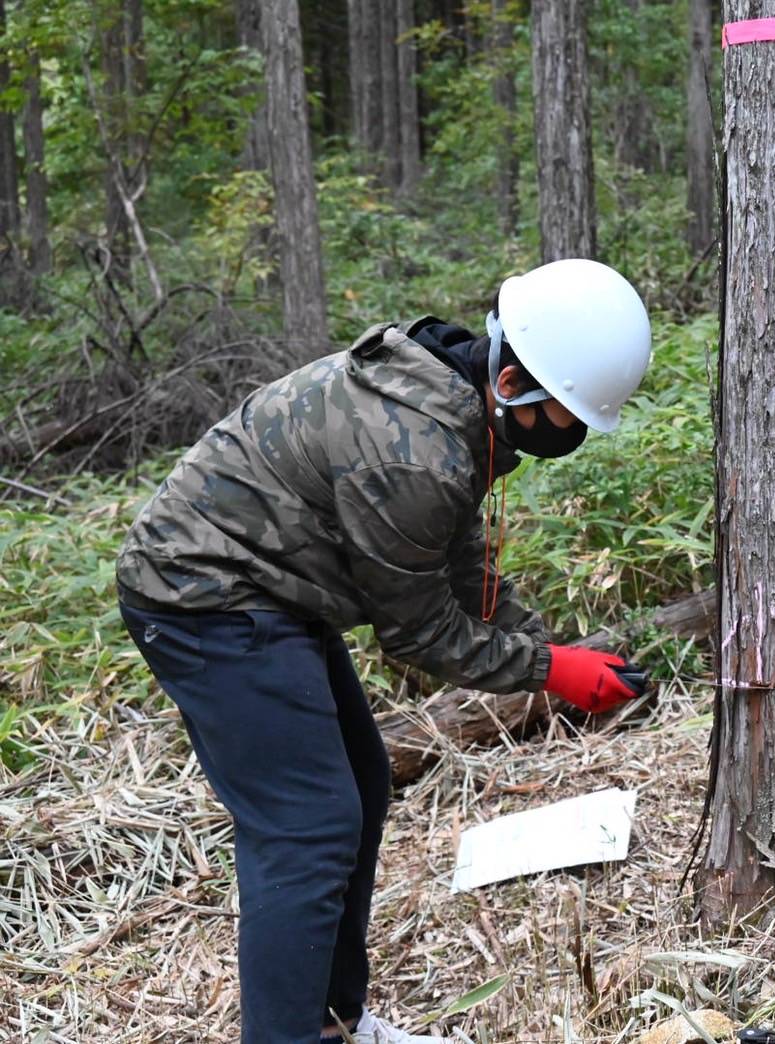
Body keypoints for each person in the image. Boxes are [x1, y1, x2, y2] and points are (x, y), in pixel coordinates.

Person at [115, 259, 656, 1043]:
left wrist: (542, 643)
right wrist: (551, 673)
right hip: (204, 596)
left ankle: (334, 1021)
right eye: (567, 418)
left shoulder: (454, 402)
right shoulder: (415, 452)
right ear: (515, 384)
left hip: (268, 584)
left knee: (361, 786)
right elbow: (417, 634)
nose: (569, 434)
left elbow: (458, 559)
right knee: (307, 826)